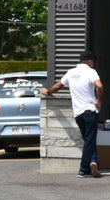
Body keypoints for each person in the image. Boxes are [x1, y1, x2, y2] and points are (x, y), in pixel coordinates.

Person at [40, 50, 103, 178]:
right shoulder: (91, 72)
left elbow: (58, 86)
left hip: (78, 113)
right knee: (89, 140)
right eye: (93, 61)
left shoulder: (71, 72)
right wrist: (99, 101)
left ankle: (93, 162)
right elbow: (100, 86)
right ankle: (83, 169)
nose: (93, 64)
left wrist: (48, 92)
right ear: (89, 61)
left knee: (88, 140)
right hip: (90, 110)